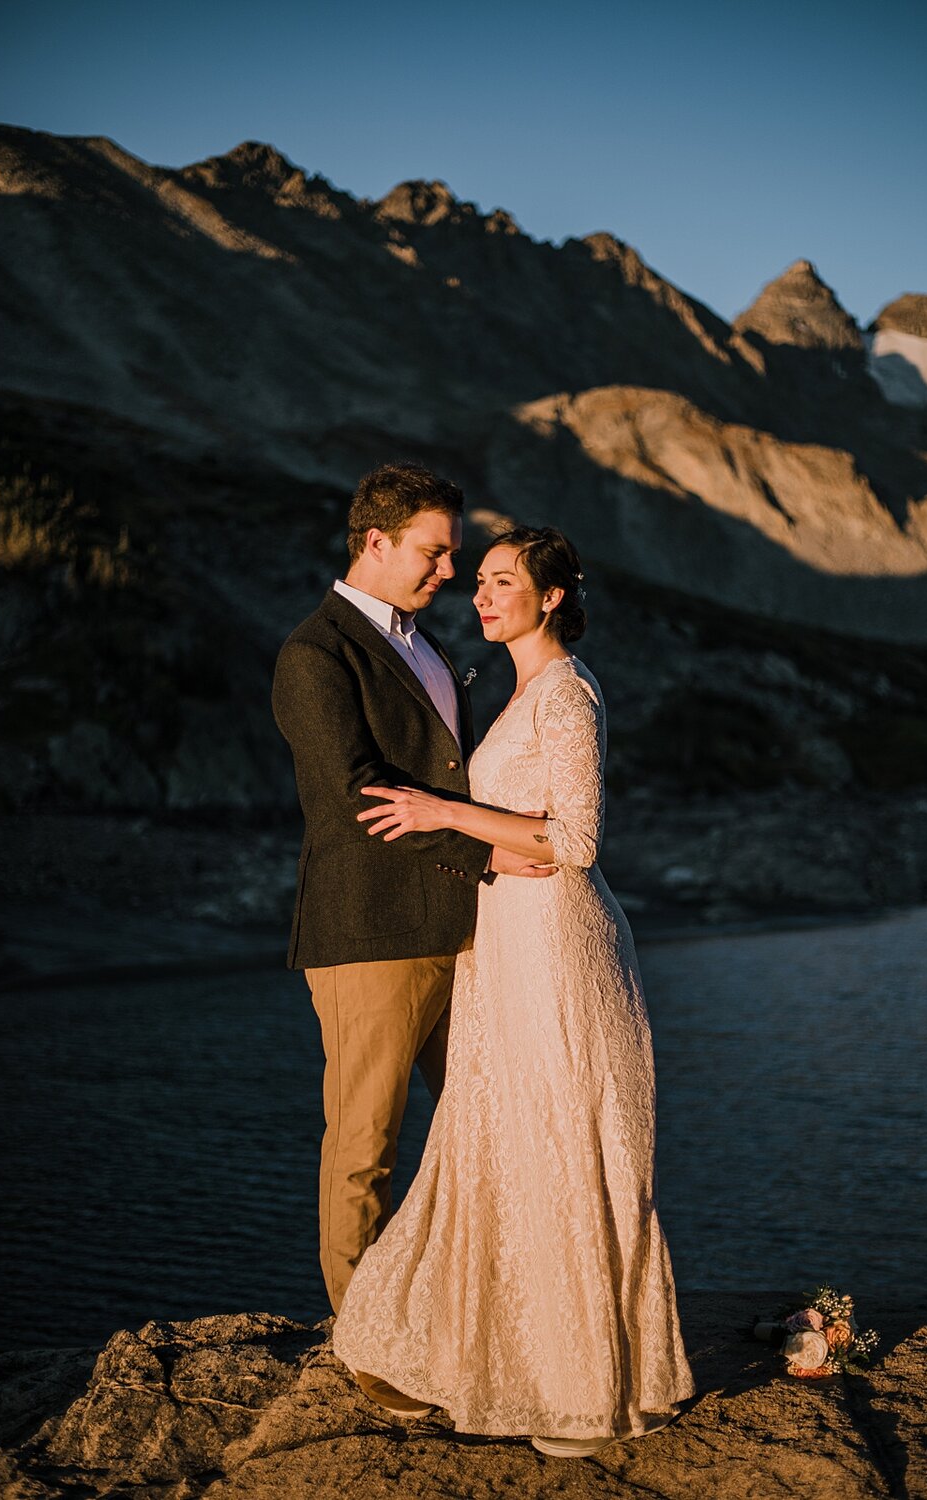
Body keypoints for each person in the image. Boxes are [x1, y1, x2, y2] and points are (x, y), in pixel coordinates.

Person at [331, 525, 696, 1458]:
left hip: (557, 944)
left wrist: (442, 810)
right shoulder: (524, 690)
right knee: (506, 1141)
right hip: (505, 939)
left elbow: (574, 841)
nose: (481, 596)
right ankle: (506, 1356)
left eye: (502, 583)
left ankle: (577, 1388)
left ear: (554, 596)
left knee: (557, 1144)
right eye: (479, 581)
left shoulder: (567, 694)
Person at [271, 464, 555, 1417]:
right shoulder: (316, 653)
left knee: (484, 1129)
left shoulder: (429, 649)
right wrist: (485, 853)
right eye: (433, 551)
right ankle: (367, 1345)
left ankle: (470, 1313)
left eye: (452, 553)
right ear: (374, 541)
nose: (448, 571)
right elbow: (349, 797)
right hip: (371, 935)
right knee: (365, 1145)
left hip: (462, 933)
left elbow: (450, 781)